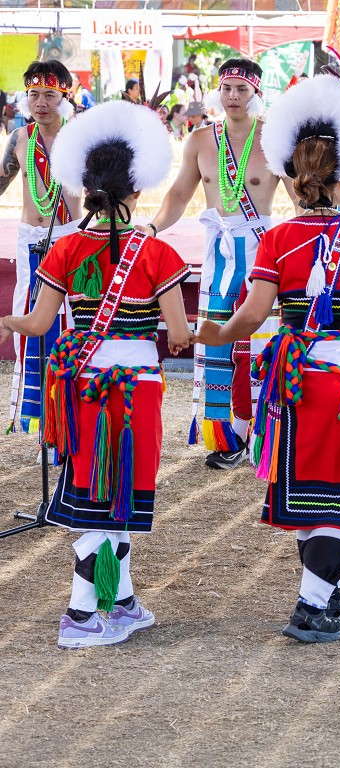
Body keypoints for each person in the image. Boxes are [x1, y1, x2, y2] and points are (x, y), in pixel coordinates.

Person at [195, 72, 340, 643]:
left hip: (295, 380)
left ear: (293, 183)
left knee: (307, 493)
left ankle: (328, 594)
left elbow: (250, 318)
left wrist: (208, 335)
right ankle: (309, 605)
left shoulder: (276, 240)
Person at [0, 101, 190, 648]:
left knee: (92, 486)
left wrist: (5, 318)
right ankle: (82, 615)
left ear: (86, 187)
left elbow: (37, 325)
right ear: (134, 192)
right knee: (119, 492)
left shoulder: (63, 248)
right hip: (138, 390)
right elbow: (177, 335)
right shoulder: (157, 253)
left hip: (81, 387)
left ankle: (123, 601)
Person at [145, 58, 296, 470]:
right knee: (215, 341)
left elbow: (301, 200)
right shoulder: (199, 140)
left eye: (242, 89)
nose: (233, 96)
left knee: (260, 344)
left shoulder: (275, 140)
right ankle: (226, 437)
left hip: (264, 250)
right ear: (217, 90)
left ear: (256, 93)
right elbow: (178, 196)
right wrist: (152, 229)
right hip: (219, 253)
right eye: (227, 88)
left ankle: (261, 436)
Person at [0, 60, 81, 436]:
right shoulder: (19, 139)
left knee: (69, 321)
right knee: (29, 319)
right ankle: (36, 416)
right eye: (34, 94)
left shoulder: (81, 137)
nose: (41, 102)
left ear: (66, 96)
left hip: (70, 237)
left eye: (50, 94)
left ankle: (65, 416)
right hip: (30, 239)